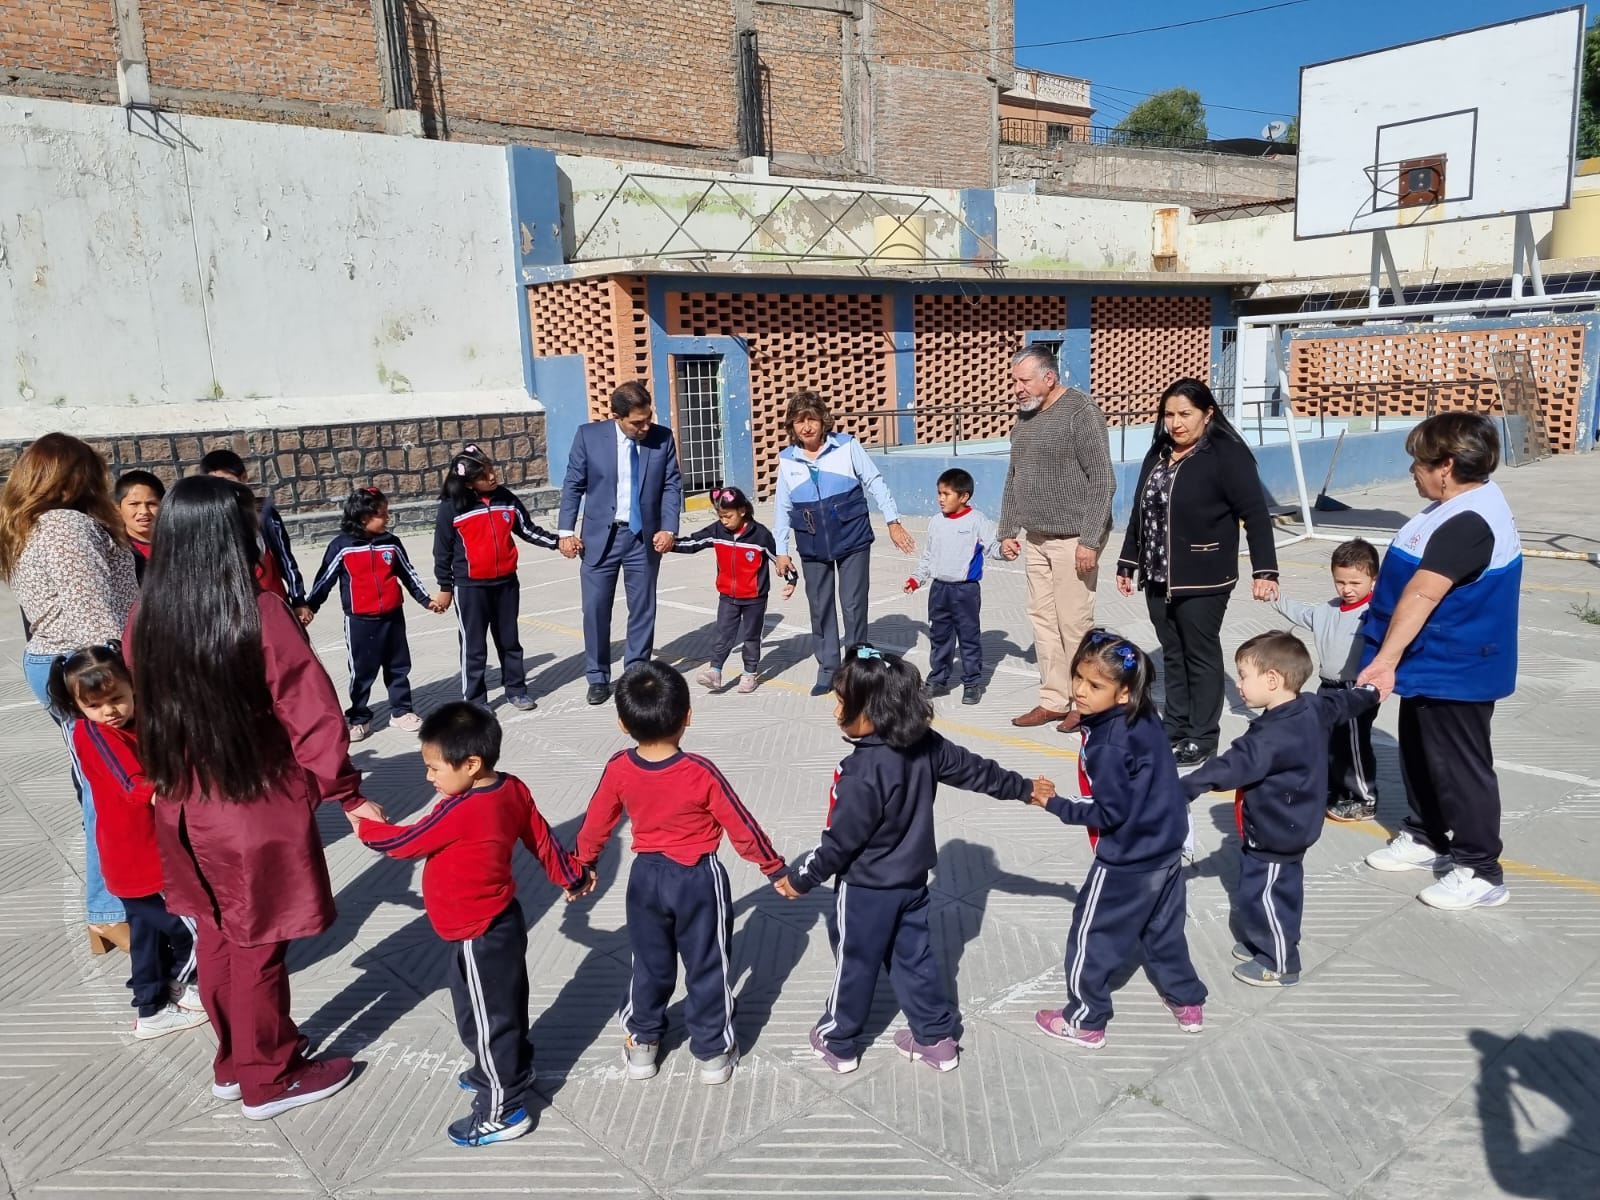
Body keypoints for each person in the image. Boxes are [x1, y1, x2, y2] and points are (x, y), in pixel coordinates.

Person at [130, 474, 381, 1119]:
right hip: (251, 808)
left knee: (216, 935)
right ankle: (268, 1076)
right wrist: (346, 793)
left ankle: (233, 1060)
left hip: (184, 810)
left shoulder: (144, 618)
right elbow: (312, 711)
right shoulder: (259, 609)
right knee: (259, 947)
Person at [776, 646, 1055, 1074]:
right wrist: (1022, 788)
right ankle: (935, 1038)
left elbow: (838, 844)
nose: (835, 711)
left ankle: (839, 1040)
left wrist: (801, 877)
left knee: (855, 963)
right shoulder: (925, 745)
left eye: (841, 701)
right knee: (915, 961)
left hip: (866, 890)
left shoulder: (860, 773)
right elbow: (976, 770)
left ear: (870, 711)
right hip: (911, 886)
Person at [356, 703, 593, 1147]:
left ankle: (502, 1107)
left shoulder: (459, 809)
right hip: (500, 922)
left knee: (483, 1020)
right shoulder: (512, 789)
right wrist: (572, 875)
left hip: (477, 932)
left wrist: (368, 827)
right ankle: (508, 1067)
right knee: (501, 1006)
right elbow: (541, 837)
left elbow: (406, 844)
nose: (429, 778)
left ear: (471, 764)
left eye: (433, 768)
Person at [574, 660, 786, 1085]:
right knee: (709, 963)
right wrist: (773, 867)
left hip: (645, 879)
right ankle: (712, 1052)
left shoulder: (619, 767)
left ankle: (643, 1044)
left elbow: (597, 821)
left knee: (649, 963)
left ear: (622, 722)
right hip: (698, 879)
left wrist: (584, 865)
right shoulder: (699, 772)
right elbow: (741, 825)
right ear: (687, 717)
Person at [1359, 413, 1522, 911]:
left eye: (1419, 462)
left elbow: (1423, 595)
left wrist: (1385, 660)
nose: (1413, 470)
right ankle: (1428, 833)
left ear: (1446, 466)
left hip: (1459, 666)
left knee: (1459, 768)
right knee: (1419, 756)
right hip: (1431, 662)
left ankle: (1480, 869)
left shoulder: (1469, 521)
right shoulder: (1451, 506)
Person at [1030, 631, 1206, 1049]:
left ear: (1124, 693)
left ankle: (1085, 1019)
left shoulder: (1107, 745)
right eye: (1078, 678)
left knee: (1092, 935)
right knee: (1163, 929)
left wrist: (1054, 803)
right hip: (1166, 847)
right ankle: (1186, 1000)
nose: (1079, 691)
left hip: (1127, 859)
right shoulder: (1145, 716)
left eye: (1095, 686)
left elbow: (1109, 810)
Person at [0, 432, 138, 953]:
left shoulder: (32, 525)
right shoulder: (66, 525)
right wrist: (121, 677)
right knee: (108, 786)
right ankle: (106, 910)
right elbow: (90, 612)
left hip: (63, 659)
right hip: (85, 664)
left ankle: (114, 901)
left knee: (99, 780)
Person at [1182, 632, 1380, 988]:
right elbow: (1345, 703)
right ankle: (1264, 940)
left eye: (1243, 676)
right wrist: (1371, 692)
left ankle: (1279, 960)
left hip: (1278, 830)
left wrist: (1182, 789)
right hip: (1287, 823)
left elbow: (1227, 767)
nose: (1239, 685)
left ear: (1272, 679)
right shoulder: (1312, 706)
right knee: (1268, 891)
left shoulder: (1271, 736)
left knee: (1268, 895)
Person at [1116, 378, 1280, 767]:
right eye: (1169, 414)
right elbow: (1141, 511)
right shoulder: (1158, 452)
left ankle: (1202, 736)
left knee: (1200, 654)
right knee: (1173, 654)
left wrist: (1265, 571)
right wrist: (1128, 560)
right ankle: (1175, 725)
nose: (1175, 423)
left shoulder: (1226, 455)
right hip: (1157, 574)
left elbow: (1255, 515)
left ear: (1208, 414)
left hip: (1204, 574)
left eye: (1185, 414)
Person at [49, 643, 207, 1039]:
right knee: (195, 930)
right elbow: (130, 783)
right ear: (77, 708)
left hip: (143, 854)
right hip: (137, 860)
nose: (110, 711)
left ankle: (150, 1008)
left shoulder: (136, 721)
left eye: (117, 698)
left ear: (132, 685)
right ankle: (185, 986)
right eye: (95, 705)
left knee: (146, 936)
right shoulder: (94, 734)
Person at [997, 346, 1117, 734]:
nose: (1016, 387)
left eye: (1023, 379)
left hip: (1073, 541)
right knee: (1043, 623)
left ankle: (1086, 705)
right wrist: (1007, 531)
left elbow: (1102, 479)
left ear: (1049, 377)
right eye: (1014, 379)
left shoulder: (1080, 411)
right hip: (1036, 539)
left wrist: (1090, 539)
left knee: (1075, 625)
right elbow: (1015, 476)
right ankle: (1053, 699)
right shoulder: (1025, 416)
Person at [771, 392, 915, 697]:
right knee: (820, 607)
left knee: (853, 605)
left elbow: (875, 481)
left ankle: (856, 670)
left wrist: (893, 520)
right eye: (800, 421)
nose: (807, 427)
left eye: (812, 419)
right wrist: (781, 551)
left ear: (824, 420)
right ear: (792, 426)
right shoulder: (787, 460)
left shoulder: (847, 446)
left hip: (852, 537)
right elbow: (782, 506)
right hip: (811, 542)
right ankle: (828, 670)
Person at [558, 381, 685, 707]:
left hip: (642, 539)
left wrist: (669, 527)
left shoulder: (661, 438)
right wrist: (565, 532)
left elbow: (672, 485)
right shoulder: (589, 436)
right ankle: (598, 677)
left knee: (643, 609)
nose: (645, 427)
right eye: (637, 423)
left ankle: (636, 675)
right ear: (616, 416)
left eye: (648, 419)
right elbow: (573, 485)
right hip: (600, 538)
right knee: (595, 610)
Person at [432, 444, 559, 711]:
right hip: (470, 587)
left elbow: (528, 529)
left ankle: (516, 689)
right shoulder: (451, 508)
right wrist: (445, 587)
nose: (492, 477)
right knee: (474, 646)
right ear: (467, 483)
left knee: (509, 641)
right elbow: (442, 551)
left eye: (491, 470)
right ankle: (476, 700)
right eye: (484, 475)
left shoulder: (506, 498)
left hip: (506, 584)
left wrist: (558, 543)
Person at [308, 487, 438, 740]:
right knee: (362, 671)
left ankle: (401, 711)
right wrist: (309, 607)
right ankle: (358, 716)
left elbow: (408, 574)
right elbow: (324, 580)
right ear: (364, 517)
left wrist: (425, 600)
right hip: (359, 621)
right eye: (382, 514)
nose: (388, 518)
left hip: (392, 617)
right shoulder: (342, 546)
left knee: (398, 666)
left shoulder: (391, 543)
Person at [1267, 538, 1381, 821]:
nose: (1347, 589)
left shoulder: (1375, 612)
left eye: (1356, 583)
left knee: (1353, 744)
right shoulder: (1326, 611)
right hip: (1327, 687)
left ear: (1373, 580)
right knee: (1330, 742)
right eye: (1340, 582)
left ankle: (1363, 798)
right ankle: (1337, 790)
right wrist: (1275, 596)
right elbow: (1301, 613)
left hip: (1355, 690)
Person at [673, 485, 796, 695]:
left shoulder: (760, 535)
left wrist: (791, 580)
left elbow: (780, 559)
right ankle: (715, 671)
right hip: (727, 596)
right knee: (723, 634)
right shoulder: (717, 530)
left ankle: (749, 673)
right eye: (720, 516)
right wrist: (671, 545)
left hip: (754, 597)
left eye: (728, 516)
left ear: (742, 510)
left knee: (751, 636)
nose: (724, 521)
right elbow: (695, 541)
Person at [903, 467, 1002, 706]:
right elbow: (928, 555)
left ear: (964, 496)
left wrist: (1006, 551)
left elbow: (993, 547)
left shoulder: (977, 520)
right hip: (939, 590)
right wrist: (918, 578)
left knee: (968, 638)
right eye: (939, 493)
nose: (940, 499)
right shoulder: (936, 522)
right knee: (939, 637)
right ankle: (938, 680)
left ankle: (971, 683)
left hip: (965, 591)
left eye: (946, 494)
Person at [200, 448, 311, 625]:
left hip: (271, 602)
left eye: (229, 482)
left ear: (244, 478)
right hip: (230, 611)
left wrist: (298, 599)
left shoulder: (263, 513)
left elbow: (285, 557)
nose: (224, 489)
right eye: (215, 483)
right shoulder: (203, 518)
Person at [115, 469, 164, 583]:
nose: (144, 511)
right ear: (118, 509)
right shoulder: (115, 551)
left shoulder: (176, 546)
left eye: (151, 504)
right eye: (134, 504)